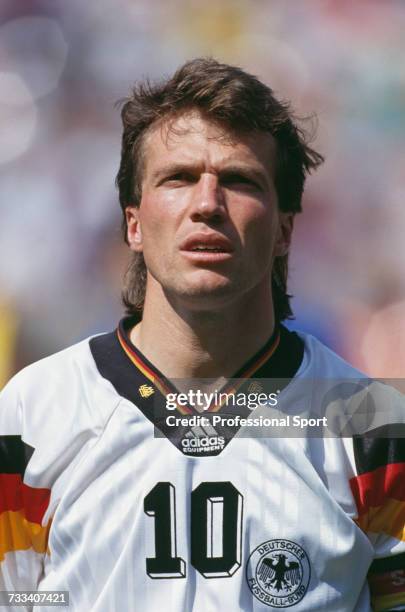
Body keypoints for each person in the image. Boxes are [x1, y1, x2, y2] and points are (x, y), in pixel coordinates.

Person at [0, 58, 404, 612]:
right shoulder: (33, 413)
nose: (207, 204)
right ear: (134, 222)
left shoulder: (373, 427)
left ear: (285, 228)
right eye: (179, 177)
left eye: (239, 180)